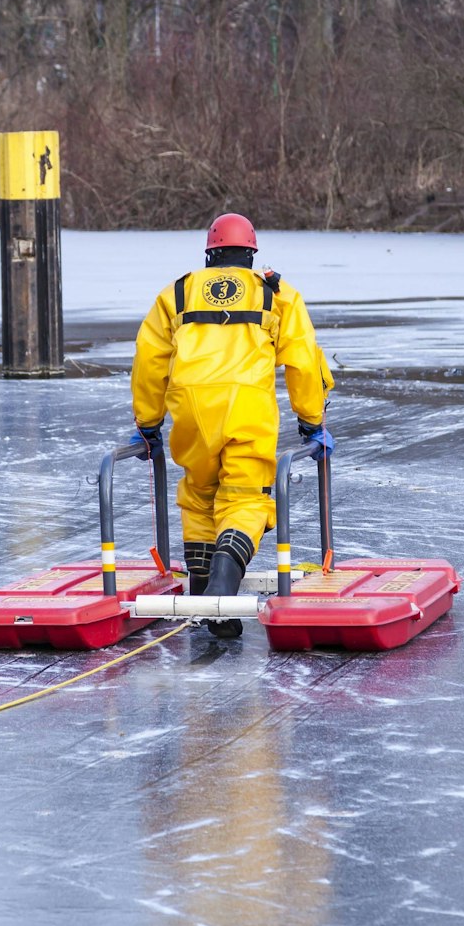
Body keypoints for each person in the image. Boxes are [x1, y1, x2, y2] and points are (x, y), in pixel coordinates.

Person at [130, 213, 334, 638]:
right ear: (252, 254)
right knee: (245, 496)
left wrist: (148, 423)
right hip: (245, 407)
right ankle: (224, 582)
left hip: (190, 407)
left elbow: (149, 360)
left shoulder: (178, 292)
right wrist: (312, 420)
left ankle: (205, 594)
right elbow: (302, 359)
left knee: (200, 493)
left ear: (210, 254)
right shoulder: (275, 294)